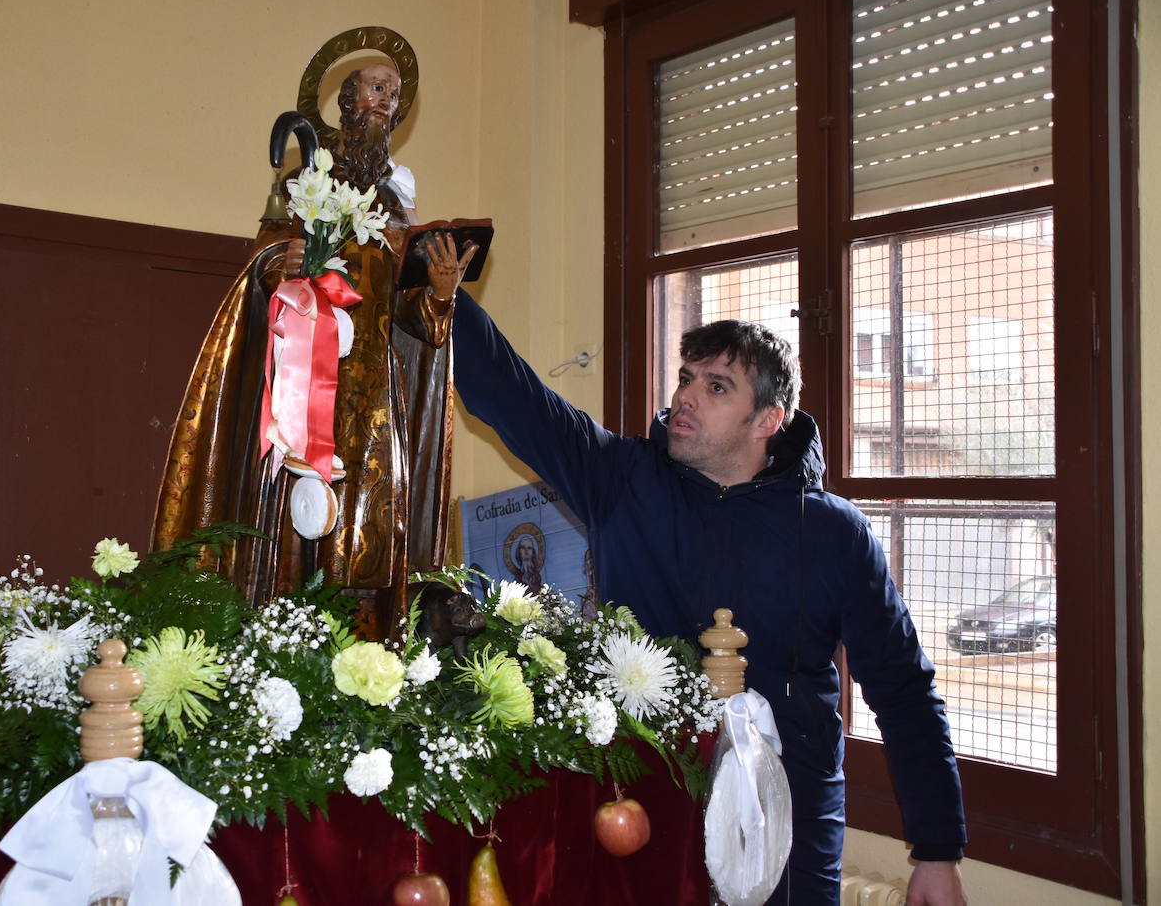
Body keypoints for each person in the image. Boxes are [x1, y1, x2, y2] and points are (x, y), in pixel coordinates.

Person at [450, 291, 969, 905]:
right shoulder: (621, 480)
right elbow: (504, 392)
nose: (685, 397)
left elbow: (904, 690)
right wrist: (444, 290)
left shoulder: (832, 533)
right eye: (686, 378)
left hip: (786, 828)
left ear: (769, 419)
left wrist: (936, 851)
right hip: (645, 806)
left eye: (718, 387)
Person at [154, 53, 476, 638]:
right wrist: (281, 263)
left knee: (372, 523)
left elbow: (412, 318)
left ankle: (367, 643)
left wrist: (439, 294)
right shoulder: (307, 186)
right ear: (346, 101)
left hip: (377, 392)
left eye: (393, 92)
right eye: (372, 88)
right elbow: (260, 270)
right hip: (305, 391)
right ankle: (286, 637)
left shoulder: (397, 205)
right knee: (295, 515)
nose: (383, 101)